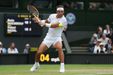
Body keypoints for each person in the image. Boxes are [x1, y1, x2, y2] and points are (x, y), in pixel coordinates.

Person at [30, 5, 67, 73]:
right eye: (59, 11)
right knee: (39, 52)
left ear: (63, 12)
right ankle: (36, 64)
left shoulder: (64, 20)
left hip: (57, 37)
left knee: (59, 48)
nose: (61, 13)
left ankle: (62, 66)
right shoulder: (52, 16)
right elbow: (46, 21)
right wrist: (40, 21)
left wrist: (43, 24)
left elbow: (54, 26)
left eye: (62, 11)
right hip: (49, 37)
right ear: (57, 12)